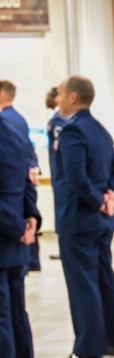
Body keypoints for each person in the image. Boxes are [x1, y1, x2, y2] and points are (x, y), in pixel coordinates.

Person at [50, 76, 114, 358]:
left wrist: (97, 200)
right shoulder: (99, 129)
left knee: (83, 284)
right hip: (101, 219)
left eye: (59, 94)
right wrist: (110, 197)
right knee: (103, 277)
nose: (57, 100)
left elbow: (76, 177)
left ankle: (88, 349)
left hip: (79, 219)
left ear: (71, 98)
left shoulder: (72, 132)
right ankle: (112, 339)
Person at [0, 117, 40, 358]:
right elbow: (29, 179)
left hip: (6, 233)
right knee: (15, 316)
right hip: (14, 238)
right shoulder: (13, 132)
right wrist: (30, 219)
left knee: (4, 321)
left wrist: (17, 227)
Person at [0, 80, 41, 272]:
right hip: (17, 217)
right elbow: (26, 175)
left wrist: (18, 227)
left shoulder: (9, 126)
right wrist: (30, 215)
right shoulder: (16, 128)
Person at [45, 86, 66, 261]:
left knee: (63, 211)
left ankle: (65, 248)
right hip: (58, 176)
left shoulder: (59, 120)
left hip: (61, 176)